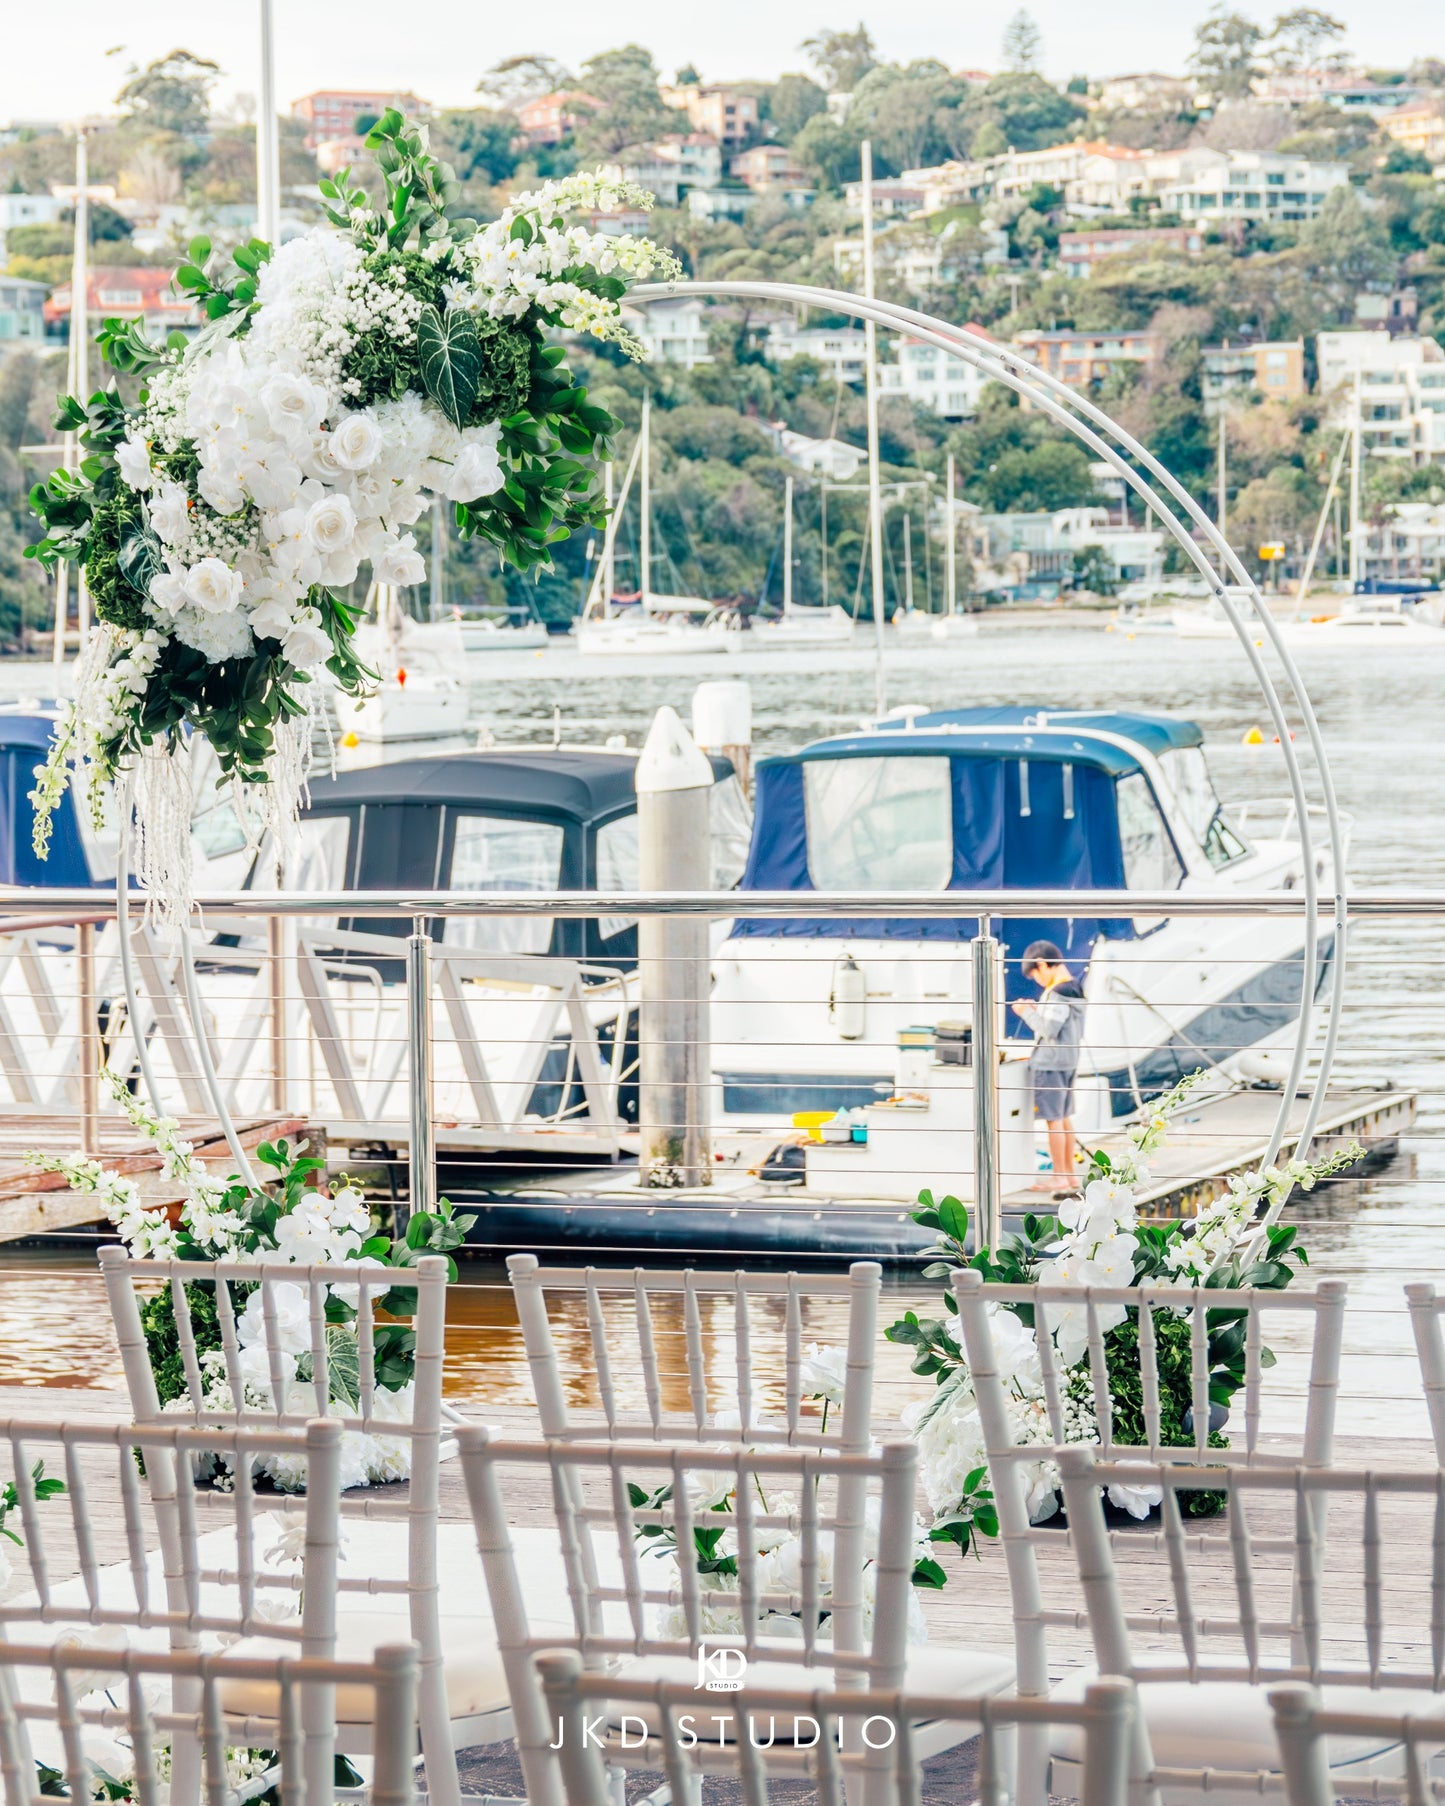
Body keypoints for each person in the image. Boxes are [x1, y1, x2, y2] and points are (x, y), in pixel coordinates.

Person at [1012, 939, 1085, 1194]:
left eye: (1035, 975)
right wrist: (1037, 1010)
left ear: (1042, 964)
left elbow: (1049, 1029)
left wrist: (1024, 1011)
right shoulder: (1075, 988)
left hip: (1050, 1063)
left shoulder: (1056, 992)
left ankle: (1059, 1177)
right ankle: (1070, 1175)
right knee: (1064, 1119)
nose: (1037, 981)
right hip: (1069, 1060)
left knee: (1053, 1121)